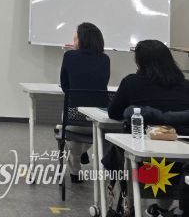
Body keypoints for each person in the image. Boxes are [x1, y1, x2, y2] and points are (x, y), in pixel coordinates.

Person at [108, 40, 189, 217]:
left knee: (115, 152)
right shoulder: (186, 86)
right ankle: (162, 209)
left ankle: (128, 206)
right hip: (183, 164)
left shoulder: (131, 82)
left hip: (144, 164)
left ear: (140, 62)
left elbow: (113, 112)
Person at [59, 22, 110, 180]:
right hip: (99, 120)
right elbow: (104, 84)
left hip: (73, 119)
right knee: (88, 132)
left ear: (80, 40)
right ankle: (82, 153)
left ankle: (75, 171)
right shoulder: (105, 59)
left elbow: (65, 86)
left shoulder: (69, 56)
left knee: (68, 131)